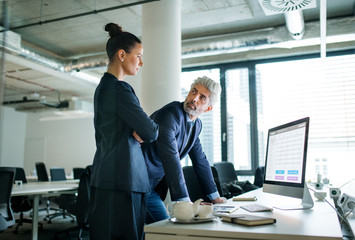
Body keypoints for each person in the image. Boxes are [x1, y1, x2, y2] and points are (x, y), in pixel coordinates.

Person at [89, 23, 159, 240]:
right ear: (121, 54)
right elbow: (151, 131)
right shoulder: (119, 89)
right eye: (138, 55)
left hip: (106, 176)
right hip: (124, 179)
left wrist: (136, 128)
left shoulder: (103, 87)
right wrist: (140, 128)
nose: (141, 62)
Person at [140, 76, 226, 224]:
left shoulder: (196, 125)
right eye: (194, 92)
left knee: (157, 231)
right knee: (167, 231)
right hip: (137, 183)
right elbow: (171, 158)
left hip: (151, 187)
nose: (194, 98)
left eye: (202, 97)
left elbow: (201, 161)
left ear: (209, 108)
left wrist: (215, 198)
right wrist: (185, 203)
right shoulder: (170, 115)